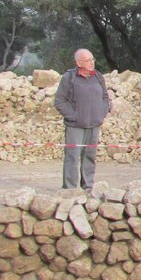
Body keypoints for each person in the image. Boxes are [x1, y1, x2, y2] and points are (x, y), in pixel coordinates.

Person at [54, 48, 112, 190]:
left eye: (92, 59)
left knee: (89, 158)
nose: (92, 62)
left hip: (94, 125)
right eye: (88, 60)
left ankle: (88, 188)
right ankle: (70, 189)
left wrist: (102, 113)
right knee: (72, 158)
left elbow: (105, 97)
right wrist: (74, 116)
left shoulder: (98, 76)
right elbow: (59, 101)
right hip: (75, 126)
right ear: (79, 63)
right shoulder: (69, 78)